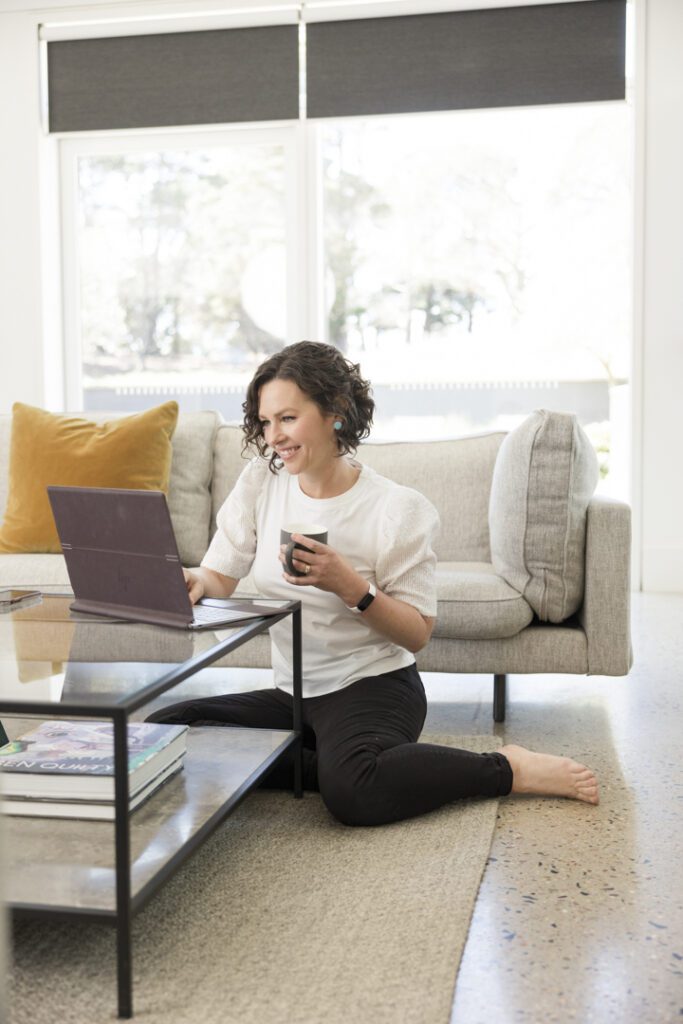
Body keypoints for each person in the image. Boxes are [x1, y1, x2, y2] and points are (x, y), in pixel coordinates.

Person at [147, 341, 599, 825]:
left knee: (353, 795)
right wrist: (193, 579)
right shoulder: (262, 482)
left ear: (335, 412)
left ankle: (507, 768)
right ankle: (333, 762)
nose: (273, 435)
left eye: (288, 418)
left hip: (373, 687)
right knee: (166, 729)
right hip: (294, 693)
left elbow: (418, 632)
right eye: (265, 421)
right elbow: (220, 575)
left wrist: (350, 586)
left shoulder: (396, 508)